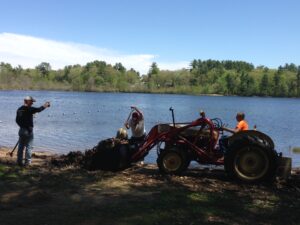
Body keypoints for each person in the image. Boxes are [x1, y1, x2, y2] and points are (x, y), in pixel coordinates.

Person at [15, 96, 50, 166]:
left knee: (21, 147)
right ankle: (27, 163)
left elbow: (17, 120)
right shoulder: (29, 109)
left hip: (21, 130)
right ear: (27, 101)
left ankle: (19, 162)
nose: (32, 103)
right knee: (29, 147)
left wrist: (22, 126)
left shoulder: (19, 109)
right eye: (31, 102)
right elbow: (39, 109)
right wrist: (45, 105)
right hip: (28, 131)